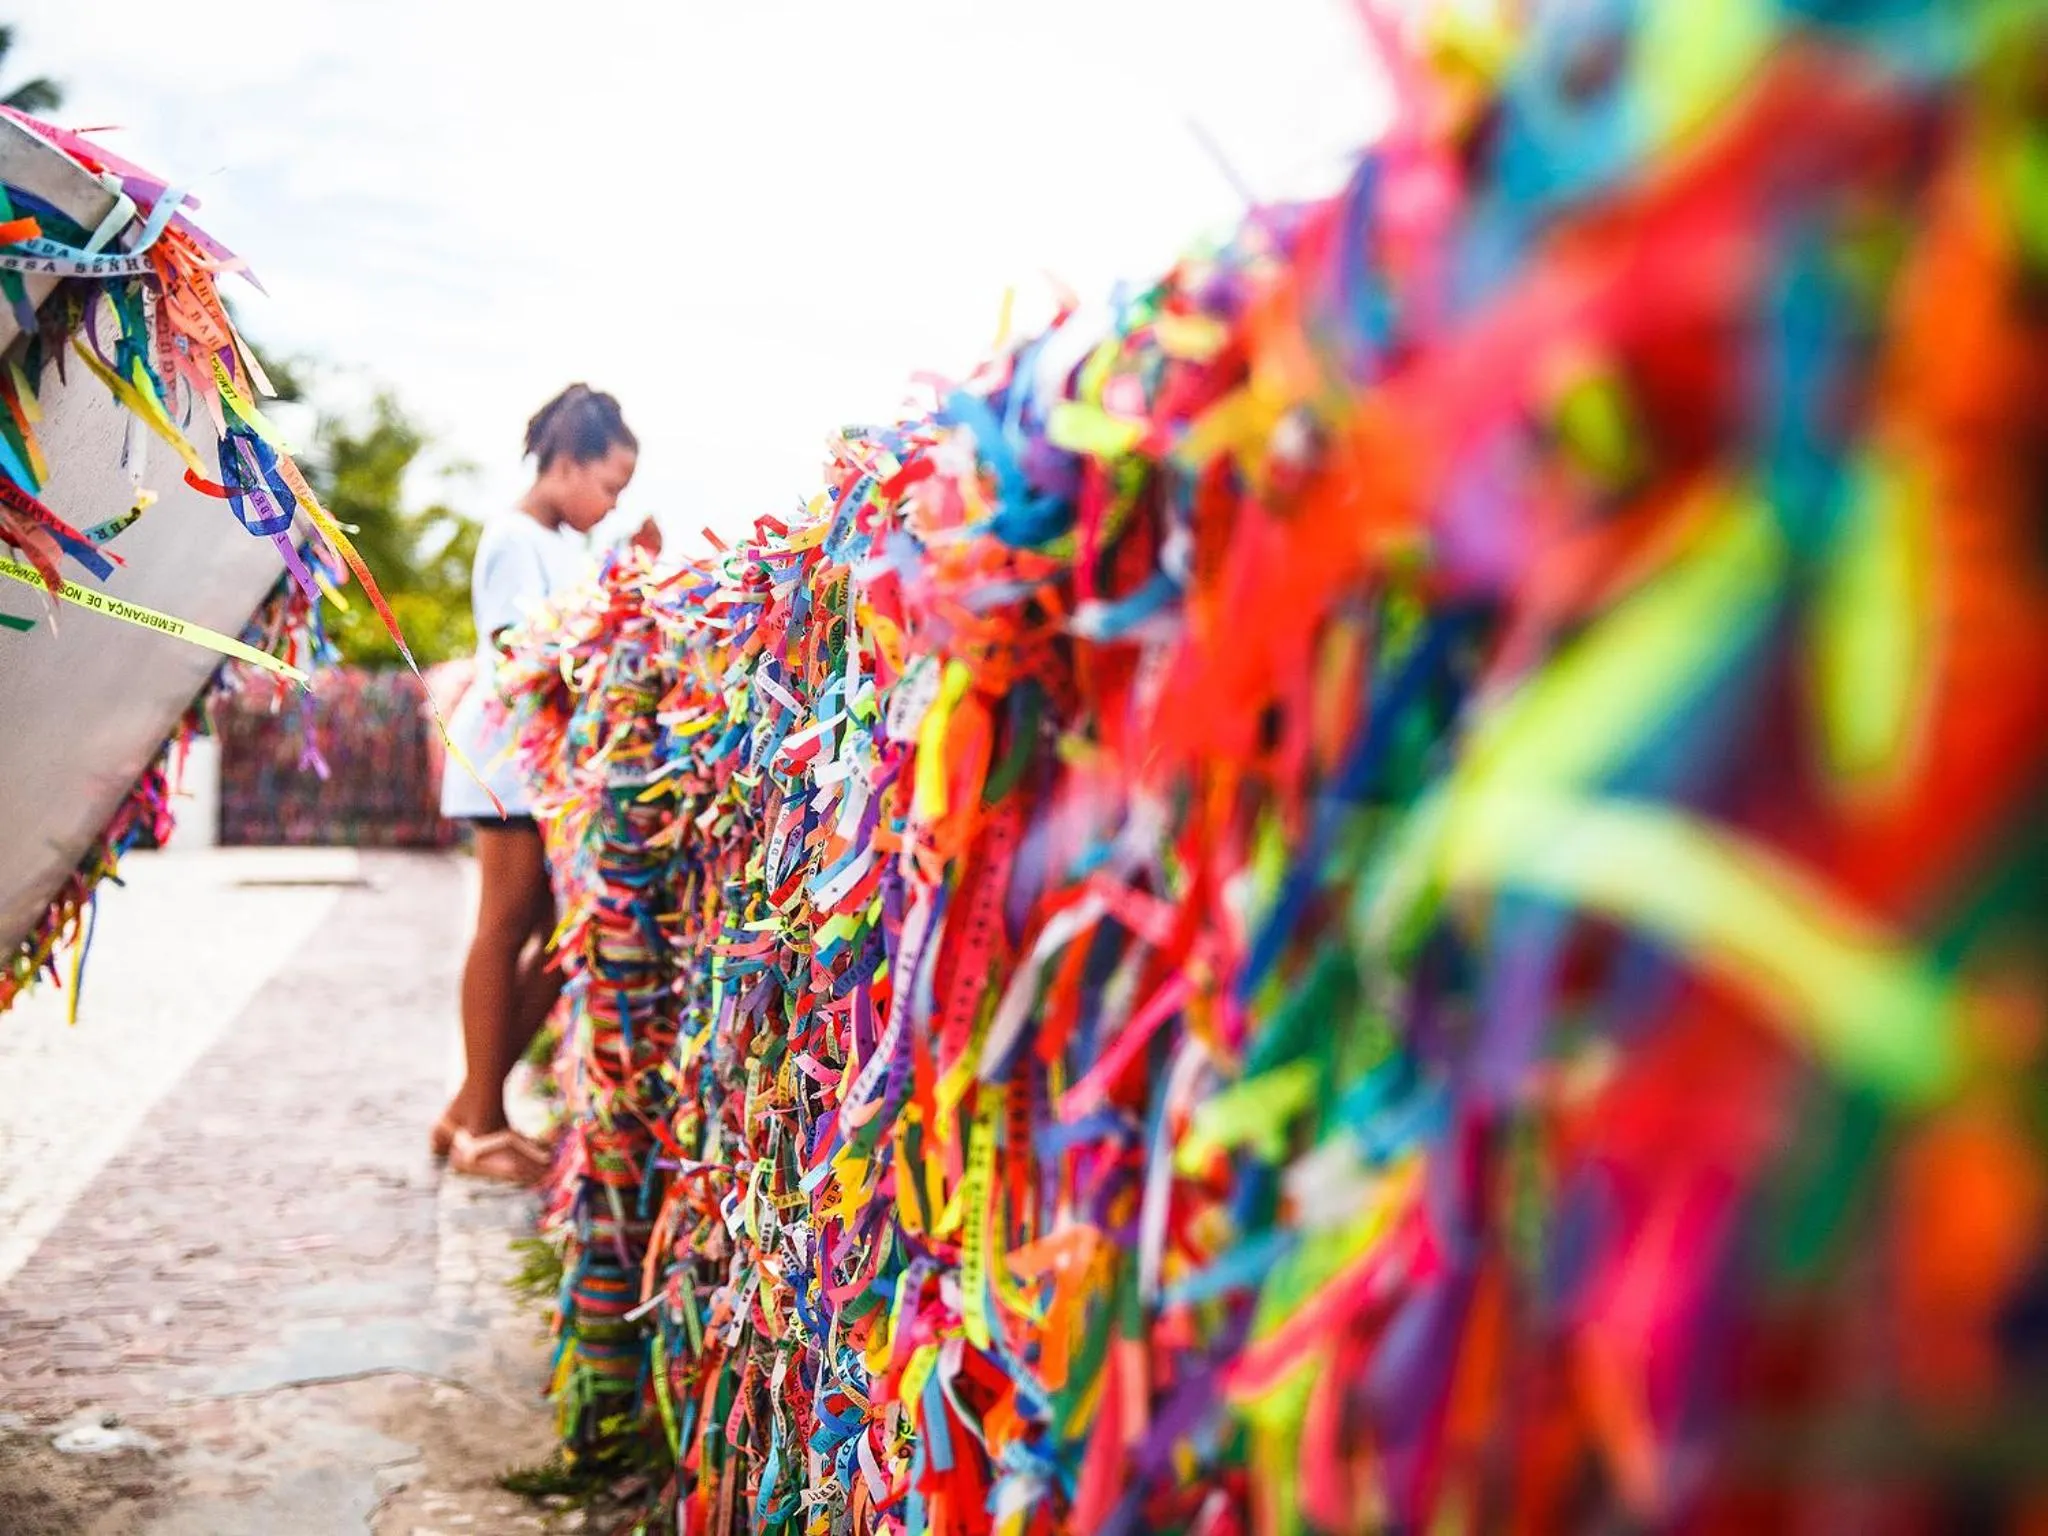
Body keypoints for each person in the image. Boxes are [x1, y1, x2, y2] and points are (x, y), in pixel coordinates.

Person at [433, 384, 657, 1183]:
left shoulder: (567, 543)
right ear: (566, 464)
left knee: (555, 941)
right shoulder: (511, 539)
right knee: (504, 930)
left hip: (542, 769)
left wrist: (629, 576)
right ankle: (482, 1127)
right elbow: (523, 650)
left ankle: (469, 1106)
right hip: (505, 765)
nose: (610, 504)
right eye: (608, 485)